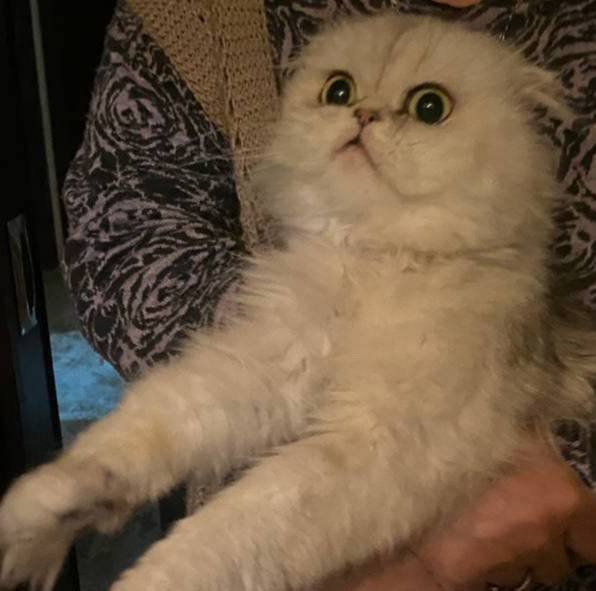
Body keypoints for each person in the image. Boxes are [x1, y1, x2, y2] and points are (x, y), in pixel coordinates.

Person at [61, 0, 596, 589]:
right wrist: (413, 461)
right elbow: (121, 244)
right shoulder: (196, 18)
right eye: (340, 92)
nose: (366, 115)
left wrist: (554, 464)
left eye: (427, 107)